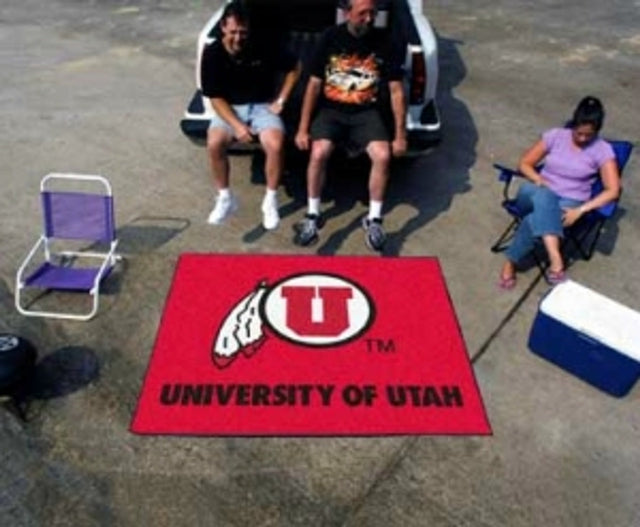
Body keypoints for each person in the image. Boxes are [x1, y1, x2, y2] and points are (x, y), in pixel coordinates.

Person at [293, 0, 407, 251]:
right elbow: (312, 85)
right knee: (319, 152)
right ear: (347, 13)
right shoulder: (329, 38)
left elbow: (396, 91)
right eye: (362, 13)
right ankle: (313, 215)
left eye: (372, 13)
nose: (368, 19)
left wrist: (400, 135)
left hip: (366, 113)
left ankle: (374, 219)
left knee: (383, 155)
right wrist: (303, 128)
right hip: (331, 111)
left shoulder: (385, 42)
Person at [498, 96, 620, 288]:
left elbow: (613, 190)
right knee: (544, 195)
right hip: (534, 193)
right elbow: (524, 163)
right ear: (574, 124)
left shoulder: (602, 150)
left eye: (588, 136)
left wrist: (581, 210)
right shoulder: (556, 136)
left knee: (533, 220)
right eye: (578, 133)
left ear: (597, 131)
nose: (582, 139)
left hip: (570, 202)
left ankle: (509, 263)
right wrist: (538, 179)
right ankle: (556, 259)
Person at [201, 2, 300, 230]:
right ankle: (225, 198)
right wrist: (237, 126)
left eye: (243, 32)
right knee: (214, 143)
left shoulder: (263, 44)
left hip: (262, 105)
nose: (238, 37)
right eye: (233, 32)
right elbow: (215, 98)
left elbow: (295, 68)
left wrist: (281, 100)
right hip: (230, 107)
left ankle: (270, 200)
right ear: (223, 28)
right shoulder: (213, 53)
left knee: (274, 145)